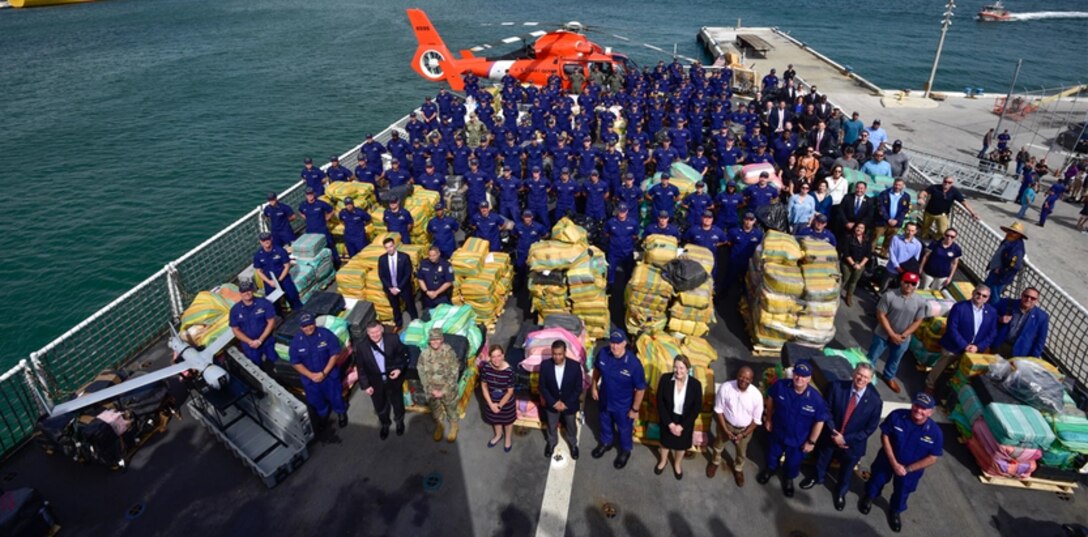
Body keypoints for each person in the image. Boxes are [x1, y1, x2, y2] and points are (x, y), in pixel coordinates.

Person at [801, 363, 883, 511]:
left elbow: (870, 428)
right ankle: (816, 477)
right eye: (859, 374)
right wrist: (834, 432)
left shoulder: (875, 401)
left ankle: (840, 492)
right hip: (831, 436)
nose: (861, 379)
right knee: (822, 458)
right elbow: (826, 411)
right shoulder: (837, 387)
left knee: (846, 470)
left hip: (852, 444)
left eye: (865, 377)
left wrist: (845, 439)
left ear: (870, 380)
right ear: (853, 374)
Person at [859, 393, 943, 534]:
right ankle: (869, 497)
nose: (918, 410)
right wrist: (894, 462)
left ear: (931, 412)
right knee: (876, 480)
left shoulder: (935, 433)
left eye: (924, 408)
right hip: (887, 459)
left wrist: (908, 469)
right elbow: (884, 435)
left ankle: (895, 511)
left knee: (902, 491)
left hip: (910, 471)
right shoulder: (897, 416)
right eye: (917, 405)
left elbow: (933, 457)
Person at [756, 360, 829, 498]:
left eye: (803, 376)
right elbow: (770, 399)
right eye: (797, 374)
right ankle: (770, 470)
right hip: (778, 433)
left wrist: (811, 442)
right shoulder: (781, 386)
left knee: (793, 463)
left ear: (809, 379)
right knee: (772, 455)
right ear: (793, 373)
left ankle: (788, 479)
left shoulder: (815, 399)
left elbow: (820, 421)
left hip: (798, 440)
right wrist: (769, 419)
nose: (799, 379)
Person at [591, 330, 647, 470]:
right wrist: (593, 387)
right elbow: (597, 369)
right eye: (612, 343)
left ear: (624, 343)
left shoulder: (633, 364)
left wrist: (635, 409)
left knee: (624, 429)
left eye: (618, 343)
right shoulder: (603, 353)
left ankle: (625, 450)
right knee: (604, 423)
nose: (614, 347)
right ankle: (606, 442)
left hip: (623, 406)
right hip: (605, 399)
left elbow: (640, 389)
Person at [928, 286, 998, 392]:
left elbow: (992, 333)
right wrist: (964, 345)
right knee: (940, 367)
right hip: (954, 346)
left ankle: (951, 390)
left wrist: (978, 347)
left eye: (984, 296)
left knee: (961, 372)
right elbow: (952, 328)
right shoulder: (959, 307)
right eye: (978, 293)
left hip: (974, 349)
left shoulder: (992, 312)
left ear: (988, 298)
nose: (980, 297)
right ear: (973, 293)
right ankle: (929, 385)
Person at [867, 272, 927, 394]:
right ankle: (867, 377)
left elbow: (918, 321)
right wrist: (891, 334)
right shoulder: (889, 296)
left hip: (903, 338)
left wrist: (904, 334)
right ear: (901, 282)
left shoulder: (920, 301)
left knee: (895, 360)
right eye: (907, 282)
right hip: (883, 334)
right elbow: (881, 315)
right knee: (872, 356)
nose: (909, 285)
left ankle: (888, 376)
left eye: (913, 283)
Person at [289, 313, 348, 428]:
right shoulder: (296, 342)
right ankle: (323, 414)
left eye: (310, 324)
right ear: (301, 327)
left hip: (329, 375)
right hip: (310, 379)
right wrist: (311, 375)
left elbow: (334, 354)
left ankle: (341, 412)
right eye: (305, 326)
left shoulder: (326, 335)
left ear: (314, 323)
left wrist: (324, 373)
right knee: (315, 399)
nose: (308, 328)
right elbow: (295, 362)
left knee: (335, 396)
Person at [707, 366, 763, 486]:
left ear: (751, 380)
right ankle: (715, 461)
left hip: (745, 429)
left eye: (747, 378)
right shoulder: (726, 388)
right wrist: (725, 429)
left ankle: (738, 469)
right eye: (741, 376)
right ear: (737, 376)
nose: (743, 380)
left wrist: (744, 434)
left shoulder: (756, 396)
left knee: (741, 452)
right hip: (726, 424)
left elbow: (756, 421)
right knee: (718, 445)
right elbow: (719, 410)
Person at [353, 321, 407, 440]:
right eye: (372, 333)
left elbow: (402, 356)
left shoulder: (393, 339)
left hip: (393, 379)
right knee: (380, 406)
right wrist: (366, 386)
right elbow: (361, 368)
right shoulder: (362, 347)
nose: (375, 335)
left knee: (397, 402)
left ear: (382, 329)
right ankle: (385, 424)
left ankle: (399, 421)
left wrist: (398, 369)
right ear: (367, 333)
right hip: (375, 382)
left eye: (377, 331)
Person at [654, 355, 703, 480]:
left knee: (681, 446)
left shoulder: (695, 385)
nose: (678, 371)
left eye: (681, 368)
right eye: (675, 367)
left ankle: (677, 464)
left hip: (685, 421)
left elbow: (696, 408)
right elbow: (660, 402)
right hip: (668, 418)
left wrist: (682, 426)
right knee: (665, 443)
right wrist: (670, 424)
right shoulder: (665, 379)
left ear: (687, 369)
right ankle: (663, 461)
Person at [540, 340, 584, 459]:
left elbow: (578, 387)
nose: (557, 357)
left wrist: (566, 403)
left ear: (565, 352)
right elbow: (542, 387)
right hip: (552, 404)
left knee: (571, 425)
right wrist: (553, 402)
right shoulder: (545, 366)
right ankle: (551, 442)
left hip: (569, 405)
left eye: (560, 354)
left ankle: (573, 444)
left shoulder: (575, 366)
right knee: (551, 425)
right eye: (554, 354)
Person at [419, 328, 462, 442]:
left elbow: (454, 372)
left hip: (447, 389)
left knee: (451, 408)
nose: (435, 342)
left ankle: (454, 426)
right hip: (432, 389)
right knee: (436, 409)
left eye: (437, 339)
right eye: (432, 339)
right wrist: (428, 388)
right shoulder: (425, 354)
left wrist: (444, 390)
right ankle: (440, 425)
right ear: (429, 341)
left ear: (442, 339)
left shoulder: (449, 352)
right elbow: (421, 371)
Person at [228, 280, 278, 369]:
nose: (246, 293)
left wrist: (261, 340)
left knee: (276, 363)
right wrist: (250, 342)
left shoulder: (264, 303)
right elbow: (235, 330)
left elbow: (271, 322)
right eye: (243, 291)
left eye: (248, 290)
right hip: (250, 346)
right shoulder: (235, 311)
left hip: (267, 341)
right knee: (256, 367)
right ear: (240, 293)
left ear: (252, 290)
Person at [917, 176, 978, 241]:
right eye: (945, 181)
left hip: (942, 215)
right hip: (929, 213)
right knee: (925, 228)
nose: (947, 184)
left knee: (943, 231)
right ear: (943, 181)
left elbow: (964, 202)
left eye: (949, 182)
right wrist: (921, 198)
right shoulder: (935, 187)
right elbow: (923, 193)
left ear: (952, 183)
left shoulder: (954, 192)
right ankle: (923, 239)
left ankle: (934, 239)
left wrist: (972, 213)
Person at [993, 287, 1049, 358]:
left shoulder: (1042, 317)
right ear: (1022, 295)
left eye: (1033, 298)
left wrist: (1033, 359)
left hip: (1020, 353)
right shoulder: (1007, 303)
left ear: (1037, 300)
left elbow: (1040, 341)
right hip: (999, 345)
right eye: (1026, 296)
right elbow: (989, 314)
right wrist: (1000, 319)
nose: (1028, 299)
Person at [253, 232, 303, 310]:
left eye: (268, 239)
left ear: (271, 239)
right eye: (263, 240)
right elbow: (258, 271)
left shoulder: (280, 250)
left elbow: (287, 266)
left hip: (284, 279)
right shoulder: (258, 255)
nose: (266, 241)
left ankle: (298, 312)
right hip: (270, 282)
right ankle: (280, 318)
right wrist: (269, 282)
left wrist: (279, 280)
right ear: (260, 242)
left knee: (293, 297)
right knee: (273, 304)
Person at [480, 345, 516, 452]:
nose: (496, 360)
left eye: (499, 356)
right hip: (491, 401)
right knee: (495, 419)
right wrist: (491, 404)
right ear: (490, 357)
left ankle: (508, 438)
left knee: (508, 421)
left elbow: (510, 392)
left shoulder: (509, 371)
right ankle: (498, 435)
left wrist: (499, 405)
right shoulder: (486, 368)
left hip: (506, 402)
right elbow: (484, 386)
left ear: (503, 355)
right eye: (493, 357)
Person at [377, 237, 417, 330]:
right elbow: (381, 275)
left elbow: (408, 274)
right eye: (387, 247)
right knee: (395, 307)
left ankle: (415, 321)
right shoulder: (382, 259)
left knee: (410, 304)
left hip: (404, 287)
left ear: (394, 245)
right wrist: (390, 287)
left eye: (391, 246)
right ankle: (398, 324)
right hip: (390, 289)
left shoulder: (404, 257)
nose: (389, 249)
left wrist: (398, 288)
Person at [983, 221, 1027, 303]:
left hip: (1001, 276)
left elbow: (1014, 266)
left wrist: (1000, 271)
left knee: (994, 296)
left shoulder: (1017, 249)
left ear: (1019, 235)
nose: (1010, 233)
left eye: (1014, 232)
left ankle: (991, 312)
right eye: (1010, 231)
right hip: (995, 270)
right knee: (985, 290)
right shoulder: (1008, 240)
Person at [298, 187, 341, 269]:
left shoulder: (321, 203)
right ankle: (323, 267)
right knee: (315, 249)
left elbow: (331, 210)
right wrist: (306, 218)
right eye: (308, 195)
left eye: (311, 194)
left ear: (313, 194)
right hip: (310, 231)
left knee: (329, 245)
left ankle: (336, 263)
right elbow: (300, 211)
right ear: (306, 195)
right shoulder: (303, 205)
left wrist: (327, 218)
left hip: (322, 230)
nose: (309, 196)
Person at [724, 212, 764, 289]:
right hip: (735, 261)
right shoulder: (734, 231)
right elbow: (728, 242)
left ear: (754, 221)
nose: (748, 222)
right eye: (746, 219)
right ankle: (723, 295)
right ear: (743, 220)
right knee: (729, 280)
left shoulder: (758, 234)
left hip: (748, 262)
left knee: (746, 282)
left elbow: (760, 247)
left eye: (751, 220)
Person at [873, 179, 911, 258]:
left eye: (899, 185)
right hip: (882, 221)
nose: (897, 187)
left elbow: (905, 210)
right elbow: (880, 207)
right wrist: (888, 219)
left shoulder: (906, 196)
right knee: (875, 237)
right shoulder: (884, 194)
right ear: (893, 184)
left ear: (903, 186)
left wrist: (897, 220)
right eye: (896, 184)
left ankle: (883, 254)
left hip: (896, 223)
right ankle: (870, 253)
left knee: (889, 240)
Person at [880, 222, 921, 293]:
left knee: (898, 291)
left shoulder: (918, 245)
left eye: (912, 231)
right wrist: (897, 266)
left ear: (915, 232)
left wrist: (907, 269)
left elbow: (915, 259)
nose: (910, 232)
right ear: (904, 229)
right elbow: (891, 252)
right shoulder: (896, 239)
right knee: (884, 287)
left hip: (905, 272)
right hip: (892, 269)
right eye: (908, 230)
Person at [604, 204, 640, 286]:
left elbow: (635, 235)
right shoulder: (611, 222)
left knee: (628, 270)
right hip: (614, 251)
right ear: (617, 211)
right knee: (611, 270)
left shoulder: (633, 223)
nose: (622, 213)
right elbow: (606, 233)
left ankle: (627, 286)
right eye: (620, 211)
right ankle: (610, 286)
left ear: (627, 211)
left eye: (623, 211)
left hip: (627, 251)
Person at [840, 222, 871, 306]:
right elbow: (846, 253)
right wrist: (853, 264)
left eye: (861, 228)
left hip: (860, 264)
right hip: (848, 263)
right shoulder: (848, 238)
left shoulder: (867, 240)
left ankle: (849, 296)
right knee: (844, 279)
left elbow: (868, 254)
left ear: (864, 230)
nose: (859, 229)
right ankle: (836, 295)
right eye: (857, 227)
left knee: (854, 281)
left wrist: (860, 265)